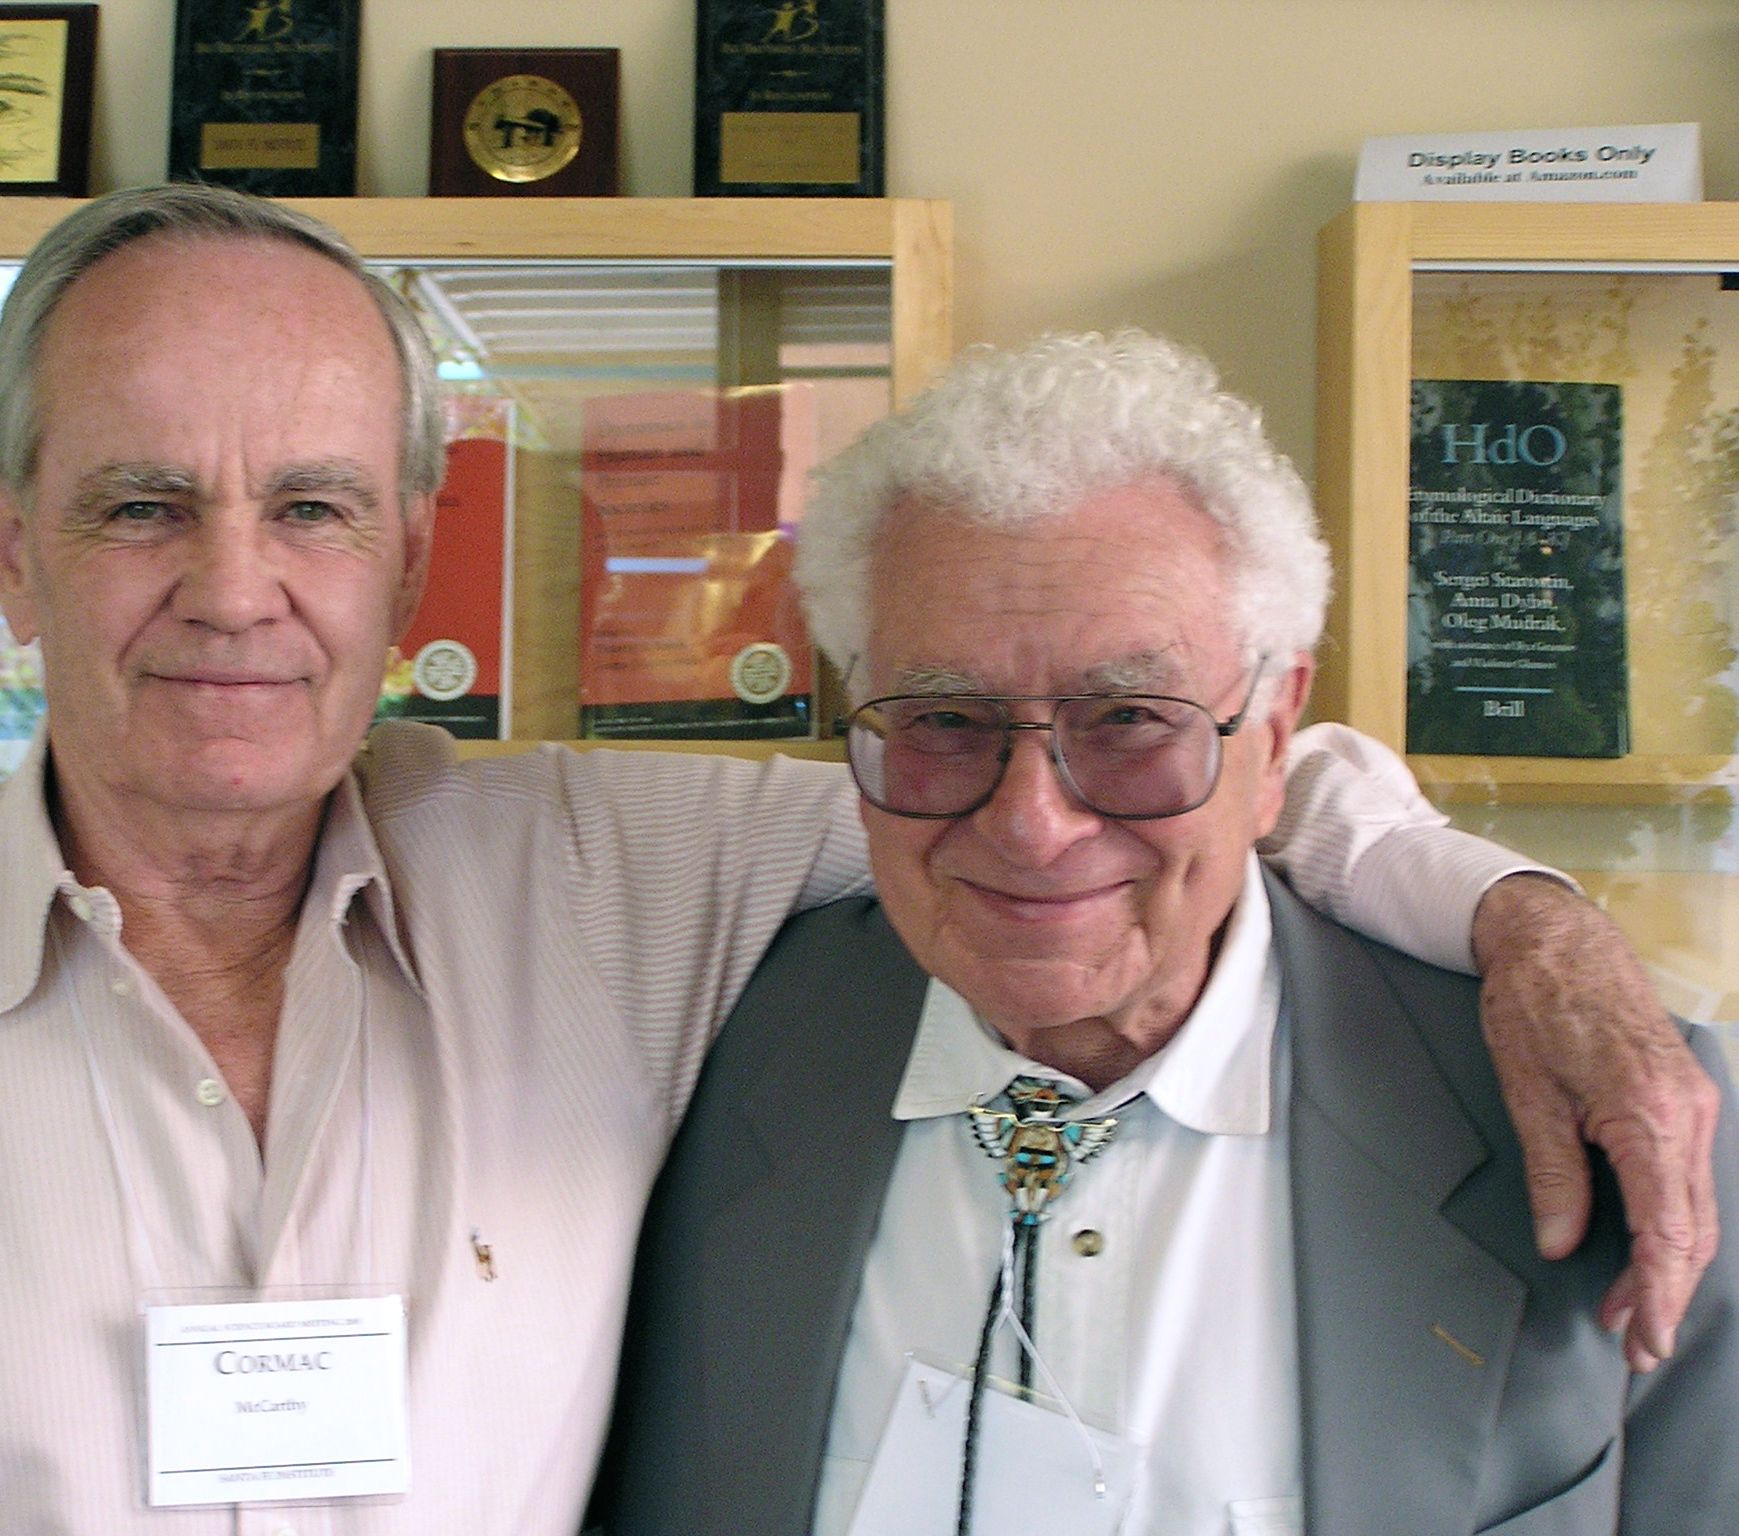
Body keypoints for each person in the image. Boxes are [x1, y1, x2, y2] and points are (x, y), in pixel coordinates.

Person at [0, 190, 1715, 1533]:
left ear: (408, 550)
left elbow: (1114, 781)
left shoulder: (583, 873)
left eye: (311, 504)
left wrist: (1521, 918)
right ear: (5, 544)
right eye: (144, 502)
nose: (237, 591)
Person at [595, 332, 1739, 1536]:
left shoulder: (1626, 1126)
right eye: (941, 715)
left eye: (1131, 719)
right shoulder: (684, 1070)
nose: (1031, 824)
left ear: (1275, 726)